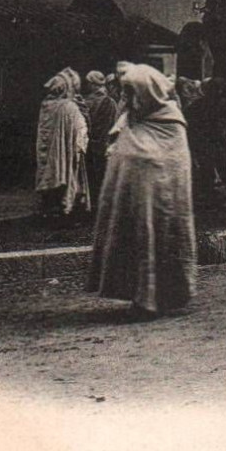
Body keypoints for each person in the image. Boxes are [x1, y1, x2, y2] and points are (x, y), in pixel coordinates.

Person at [87, 64, 196, 318]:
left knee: (161, 243)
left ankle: (162, 298)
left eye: (134, 94)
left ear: (149, 92)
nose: (130, 100)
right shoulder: (132, 119)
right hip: (135, 202)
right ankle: (141, 297)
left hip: (165, 205)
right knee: (137, 243)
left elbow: (172, 164)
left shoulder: (171, 123)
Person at [36, 68, 89, 218]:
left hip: (47, 152)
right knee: (67, 174)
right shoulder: (68, 106)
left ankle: (49, 208)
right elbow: (81, 127)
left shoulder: (46, 105)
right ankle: (65, 208)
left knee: (49, 175)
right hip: (65, 150)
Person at [84, 71, 119, 206]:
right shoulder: (109, 101)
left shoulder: (87, 101)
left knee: (93, 177)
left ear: (93, 84)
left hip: (91, 144)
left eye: (89, 83)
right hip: (104, 144)